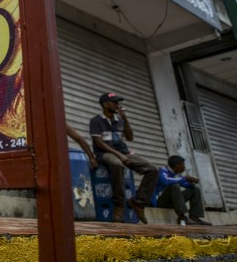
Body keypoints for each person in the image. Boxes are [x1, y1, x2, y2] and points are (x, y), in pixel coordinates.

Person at [90, 92, 158, 224]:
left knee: (153, 169)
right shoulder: (96, 120)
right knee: (117, 164)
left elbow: (130, 137)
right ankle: (119, 205)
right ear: (105, 104)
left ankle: (138, 202)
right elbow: (98, 142)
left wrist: (125, 119)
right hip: (104, 153)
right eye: (114, 102)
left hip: (123, 152)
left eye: (118, 102)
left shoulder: (119, 120)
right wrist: (119, 155)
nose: (117, 105)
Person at [151, 155, 212, 226]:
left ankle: (194, 217)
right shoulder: (162, 171)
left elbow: (184, 184)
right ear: (176, 165)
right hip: (159, 202)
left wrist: (191, 182)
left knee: (195, 189)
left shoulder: (176, 174)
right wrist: (184, 178)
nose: (184, 167)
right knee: (174, 185)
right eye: (182, 164)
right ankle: (182, 217)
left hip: (171, 202)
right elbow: (165, 181)